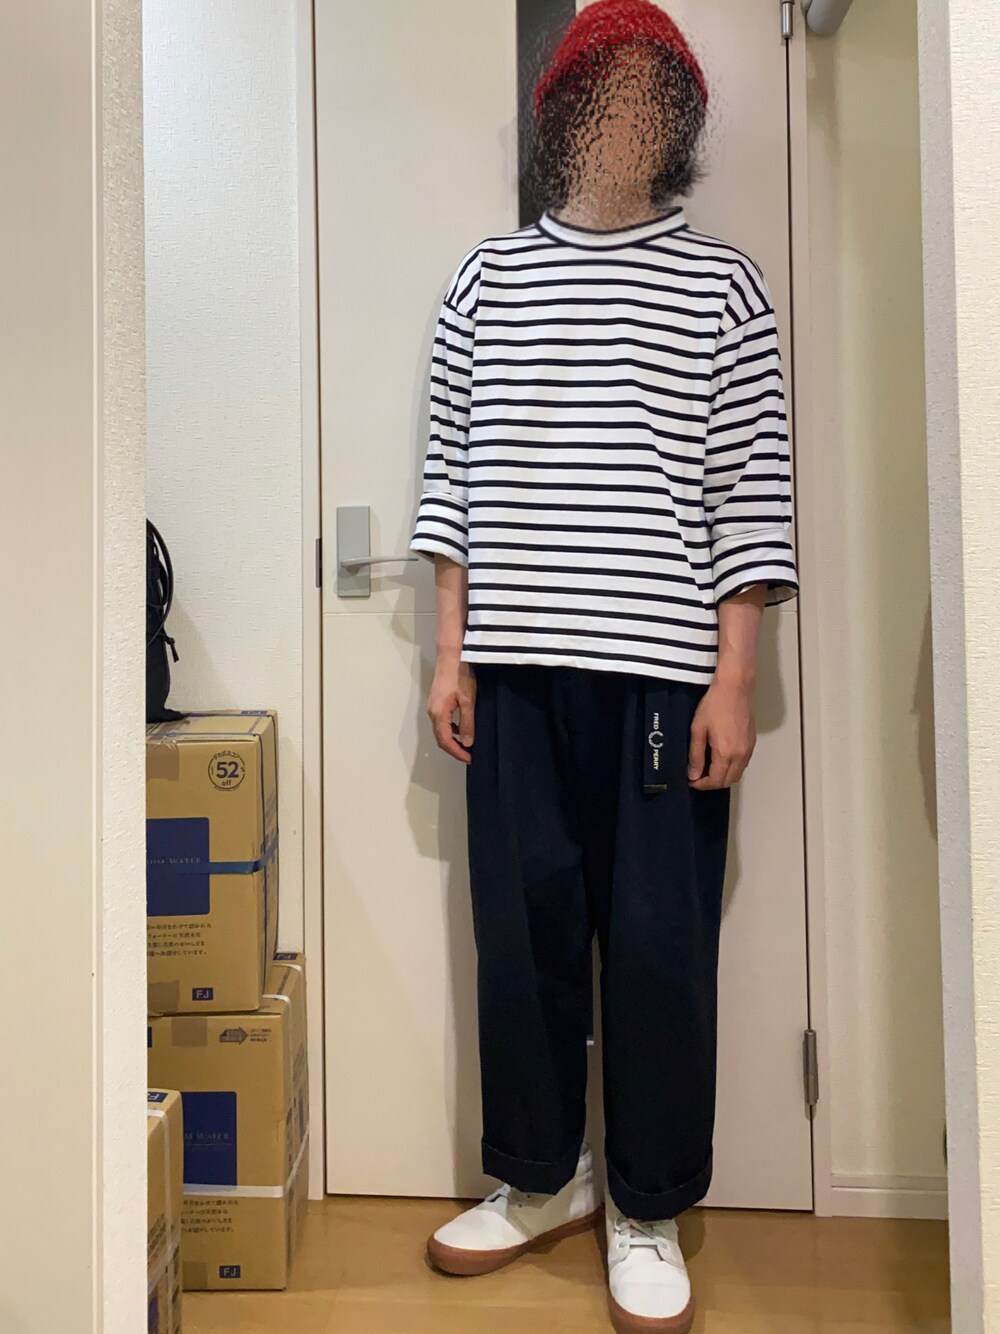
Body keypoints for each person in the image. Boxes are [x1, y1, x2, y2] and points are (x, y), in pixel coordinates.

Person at [410, 3, 798, 1330]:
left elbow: (750, 498)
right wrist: (449, 656)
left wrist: (734, 677)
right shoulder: (484, 281)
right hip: (513, 672)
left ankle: (647, 1201)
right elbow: (450, 484)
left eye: (654, 95)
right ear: (562, 112)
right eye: (606, 91)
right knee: (521, 937)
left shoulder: (725, 286)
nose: (629, 116)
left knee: (655, 948)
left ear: (680, 123)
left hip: (662, 679)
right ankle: (540, 1177)